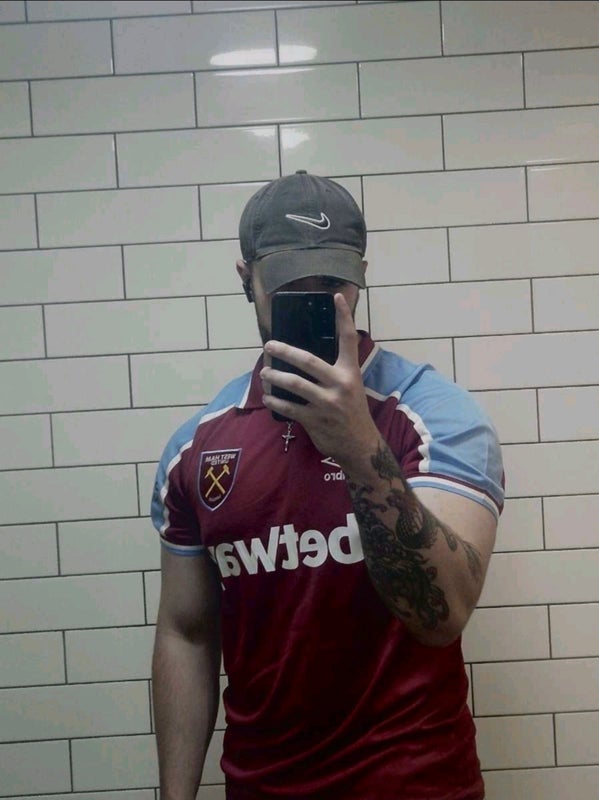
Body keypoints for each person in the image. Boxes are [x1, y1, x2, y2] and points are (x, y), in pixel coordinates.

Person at [151, 171, 504, 800]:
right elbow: (187, 631)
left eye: (333, 282)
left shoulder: (435, 416)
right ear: (246, 279)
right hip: (261, 785)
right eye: (292, 284)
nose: (316, 298)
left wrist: (357, 443)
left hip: (416, 785)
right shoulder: (197, 447)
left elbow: (443, 615)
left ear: (361, 276)